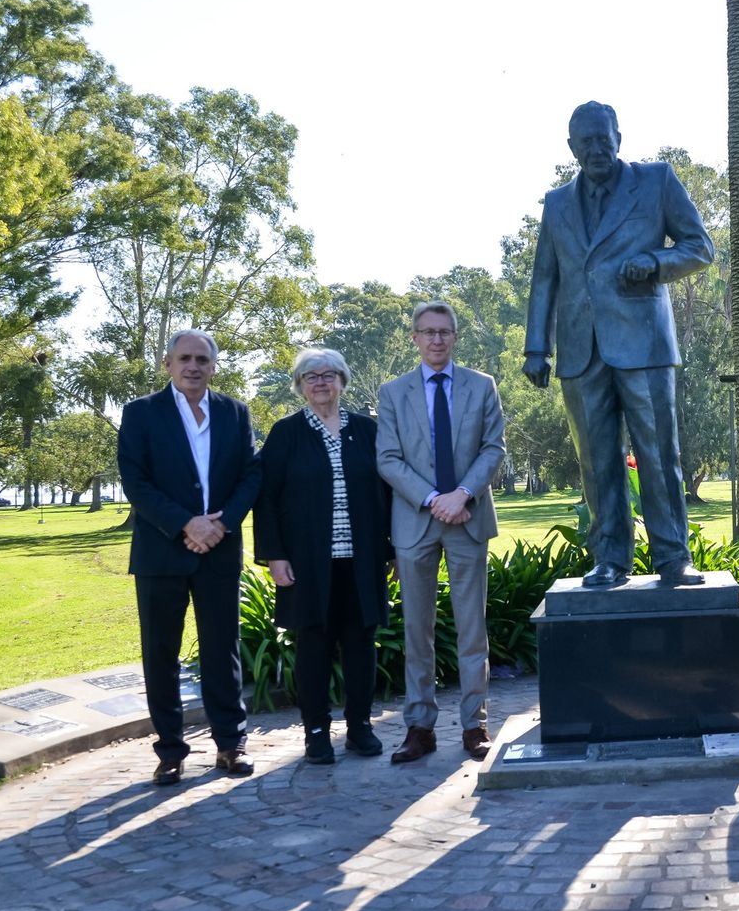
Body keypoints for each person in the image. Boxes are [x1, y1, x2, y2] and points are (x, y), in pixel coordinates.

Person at [523, 101, 715, 588]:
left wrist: (654, 261)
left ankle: (673, 557)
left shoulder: (655, 181)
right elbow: (545, 277)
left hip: (644, 344)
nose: (595, 149)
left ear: (618, 137)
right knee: (597, 461)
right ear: (571, 148)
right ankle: (610, 558)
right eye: (585, 142)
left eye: (603, 138)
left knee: (658, 455)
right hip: (579, 350)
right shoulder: (557, 202)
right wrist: (535, 348)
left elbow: (700, 247)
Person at [116, 329, 262, 786]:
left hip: (219, 551)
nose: (193, 366)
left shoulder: (234, 413)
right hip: (161, 552)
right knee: (161, 654)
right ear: (168, 364)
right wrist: (186, 523)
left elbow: (251, 474)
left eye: (202, 359)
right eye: (184, 358)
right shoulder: (141, 413)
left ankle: (230, 745)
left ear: (214, 366)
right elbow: (135, 480)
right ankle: (171, 751)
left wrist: (221, 523)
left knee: (223, 650)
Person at [377, 301, 506, 763]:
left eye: (444, 332)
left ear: (455, 337)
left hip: (468, 520)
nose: (436, 339)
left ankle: (475, 725)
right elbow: (388, 458)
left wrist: (463, 493)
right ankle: (419, 727)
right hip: (415, 522)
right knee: (418, 631)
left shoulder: (482, 385)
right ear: (414, 337)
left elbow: (494, 447)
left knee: (472, 630)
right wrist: (435, 499)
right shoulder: (392, 392)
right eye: (427, 332)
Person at [254, 349, 391, 764]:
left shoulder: (367, 430)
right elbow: (266, 499)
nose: (320, 383)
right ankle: (316, 732)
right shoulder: (286, 432)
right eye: (310, 376)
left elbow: (388, 493)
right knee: (313, 647)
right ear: (299, 385)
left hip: (362, 561)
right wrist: (274, 555)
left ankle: (360, 727)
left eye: (328, 375)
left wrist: (394, 550)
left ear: (342, 381)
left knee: (360, 646)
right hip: (308, 563)